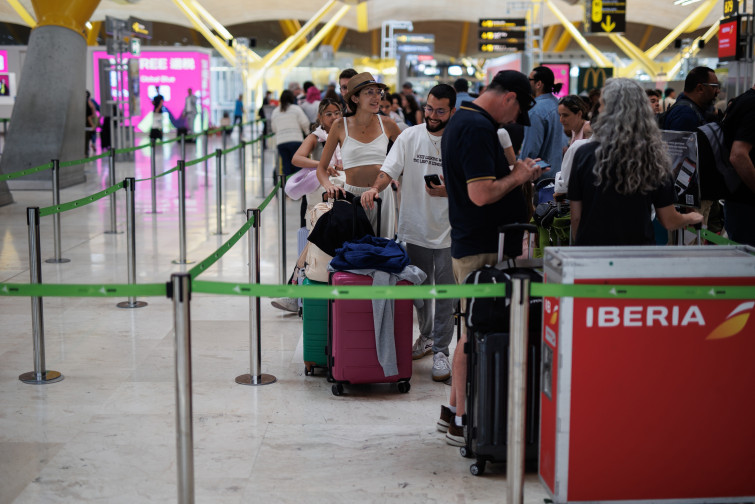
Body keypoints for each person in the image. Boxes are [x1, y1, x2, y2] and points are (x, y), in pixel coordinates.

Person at [439, 70, 542, 446]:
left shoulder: (464, 121)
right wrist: (520, 175)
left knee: (471, 328)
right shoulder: (477, 128)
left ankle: (452, 410)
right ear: (510, 97)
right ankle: (463, 422)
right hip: (481, 246)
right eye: (516, 112)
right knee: (474, 333)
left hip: (476, 241)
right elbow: (481, 194)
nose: (513, 121)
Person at [360, 84, 457, 382]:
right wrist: (376, 187)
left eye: (440, 111)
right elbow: (389, 168)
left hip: (450, 233)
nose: (432, 115)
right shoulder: (410, 136)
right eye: (429, 108)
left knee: (445, 295)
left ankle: (442, 350)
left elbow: (471, 185)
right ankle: (426, 336)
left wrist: (447, 192)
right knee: (417, 292)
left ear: (452, 111)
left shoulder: (459, 140)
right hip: (414, 228)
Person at [568, 78, 703, 246]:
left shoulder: (583, 154)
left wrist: (581, 246)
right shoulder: (654, 157)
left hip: (593, 254)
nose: (597, 110)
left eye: (601, 104)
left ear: (609, 112)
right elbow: (669, 220)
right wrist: (691, 217)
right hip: (638, 253)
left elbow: (576, 217)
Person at [270, 98, 344, 313]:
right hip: (318, 195)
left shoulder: (349, 134)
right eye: (328, 114)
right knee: (314, 241)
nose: (333, 117)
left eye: (336, 112)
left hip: (344, 192)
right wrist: (322, 165)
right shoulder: (316, 137)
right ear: (320, 117)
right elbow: (297, 158)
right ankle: (297, 292)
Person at [317, 72, 402, 238]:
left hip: (381, 196)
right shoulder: (340, 125)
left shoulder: (388, 124)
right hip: (351, 197)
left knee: (381, 252)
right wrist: (329, 186)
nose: (376, 97)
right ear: (355, 98)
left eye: (378, 92)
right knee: (354, 254)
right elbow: (321, 168)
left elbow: (404, 155)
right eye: (369, 92)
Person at [520, 66, 569, 181]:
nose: (527, 83)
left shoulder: (536, 111)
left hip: (540, 179)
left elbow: (531, 150)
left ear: (538, 84)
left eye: (529, 79)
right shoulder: (557, 104)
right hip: (557, 177)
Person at [721, 83, 755, 246]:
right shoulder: (752, 105)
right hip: (747, 205)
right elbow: (738, 155)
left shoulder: (741, 101)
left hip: (737, 200)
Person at [662, 67, 720, 132]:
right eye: (714, 86)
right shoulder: (685, 114)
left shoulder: (691, 110)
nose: (718, 91)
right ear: (700, 88)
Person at [271, 89, 310, 177]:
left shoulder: (275, 111)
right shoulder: (296, 109)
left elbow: (274, 128)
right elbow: (305, 123)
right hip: (296, 141)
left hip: (281, 142)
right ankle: (298, 188)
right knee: (298, 166)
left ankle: (287, 188)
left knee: (286, 166)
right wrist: (307, 133)